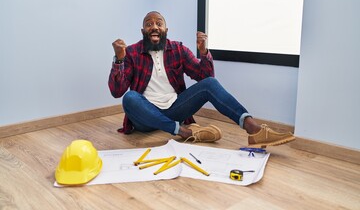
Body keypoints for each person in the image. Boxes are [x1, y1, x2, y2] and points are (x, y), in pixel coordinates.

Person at [108, 11, 295, 147]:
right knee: (130, 98)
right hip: (145, 118)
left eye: (159, 23)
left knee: (211, 84)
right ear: (143, 31)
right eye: (149, 24)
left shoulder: (178, 49)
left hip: (175, 110)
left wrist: (204, 52)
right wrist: (120, 59)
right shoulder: (131, 52)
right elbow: (117, 91)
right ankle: (184, 133)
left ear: (166, 29)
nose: (154, 26)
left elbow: (205, 78)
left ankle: (253, 128)